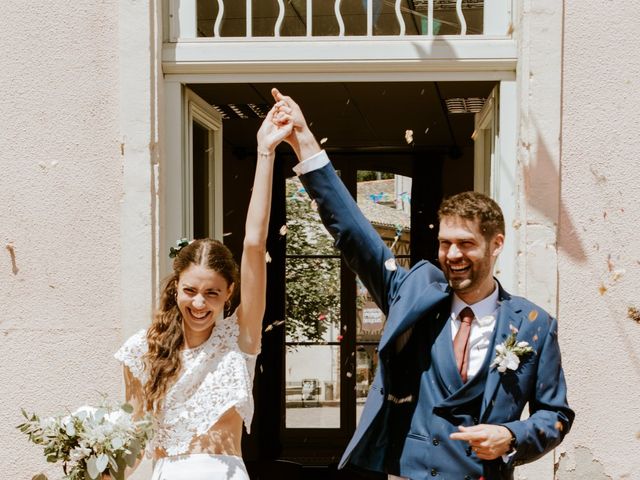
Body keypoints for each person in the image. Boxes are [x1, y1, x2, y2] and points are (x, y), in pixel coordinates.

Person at [271, 88, 574, 480]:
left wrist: (510, 435)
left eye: (466, 244)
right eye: (445, 244)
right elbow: (355, 234)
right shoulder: (414, 293)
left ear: (496, 244)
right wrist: (304, 141)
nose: (452, 255)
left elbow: (556, 414)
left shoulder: (534, 323)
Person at [113, 105, 292, 480]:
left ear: (229, 295)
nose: (199, 302)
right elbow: (134, 443)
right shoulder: (142, 350)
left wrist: (265, 153)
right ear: (175, 288)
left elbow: (255, 245)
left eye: (212, 293)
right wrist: (98, 468)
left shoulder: (239, 337)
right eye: (190, 290)